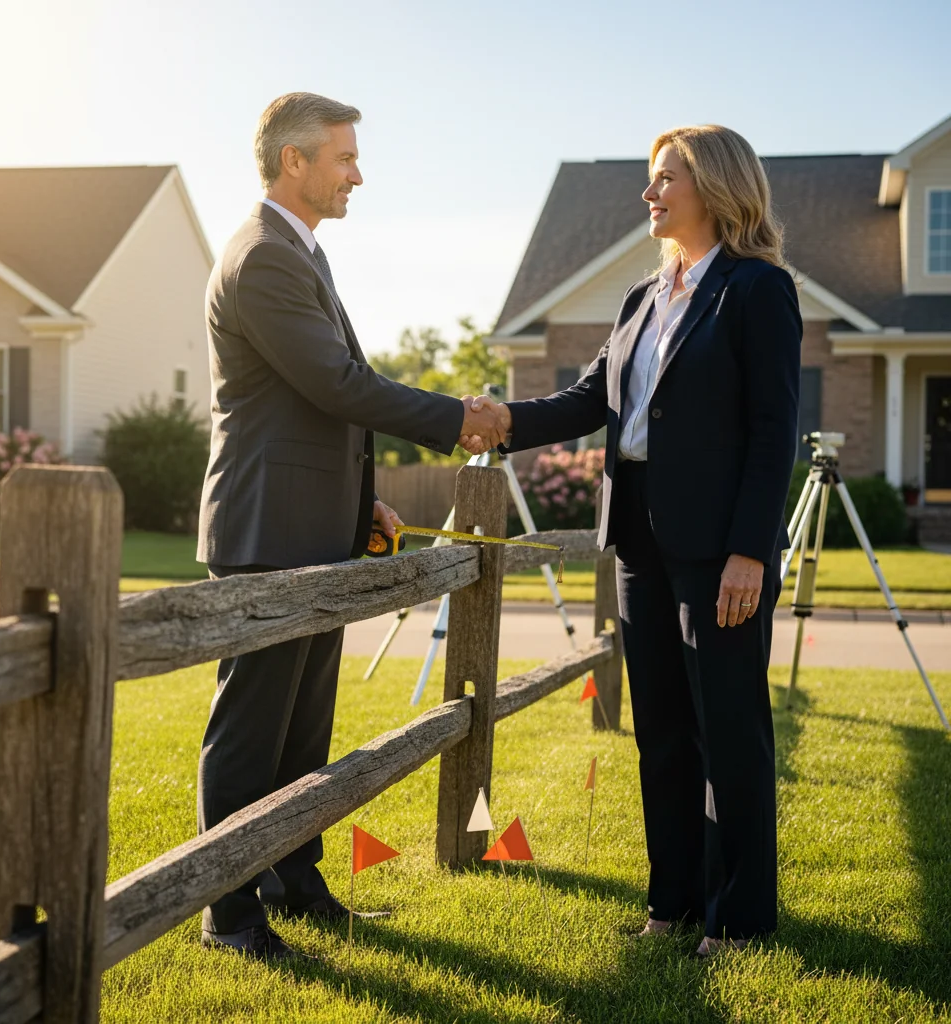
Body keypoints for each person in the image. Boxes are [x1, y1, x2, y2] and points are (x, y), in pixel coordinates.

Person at [467, 125, 801, 955]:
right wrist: (502, 422)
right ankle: (674, 903)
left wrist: (750, 551)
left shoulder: (758, 291)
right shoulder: (642, 297)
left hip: (720, 543)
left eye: (664, 180)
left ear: (715, 187)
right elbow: (589, 400)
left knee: (729, 728)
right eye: (650, 182)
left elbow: (773, 433)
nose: (648, 195)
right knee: (659, 727)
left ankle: (741, 918)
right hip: (640, 542)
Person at [196, 92, 505, 963]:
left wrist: (356, 497)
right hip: (266, 529)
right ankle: (229, 917)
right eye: (343, 158)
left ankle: (294, 883)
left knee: (301, 732)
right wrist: (458, 418)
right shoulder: (262, 257)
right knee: (252, 732)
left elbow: (317, 399)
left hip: (311, 522)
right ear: (293, 161)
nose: (357, 173)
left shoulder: (300, 254)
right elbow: (337, 384)